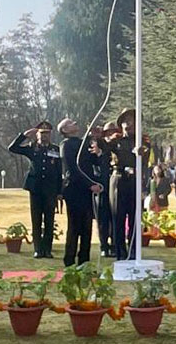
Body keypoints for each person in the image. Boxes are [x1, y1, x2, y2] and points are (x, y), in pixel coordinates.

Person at [8, 120, 63, 258]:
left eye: (47, 133)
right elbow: (12, 148)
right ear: (37, 134)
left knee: (49, 220)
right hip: (36, 189)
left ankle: (47, 249)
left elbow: (58, 171)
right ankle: (38, 249)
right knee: (36, 219)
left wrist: (60, 192)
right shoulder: (32, 148)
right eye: (42, 133)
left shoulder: (55, 149)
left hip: (50, 189)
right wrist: (24, 136)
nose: (44, 136)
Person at [59, 118, 102, 267]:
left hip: (86, 190)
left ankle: (84, 262)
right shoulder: (65, 145)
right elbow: (73, 168)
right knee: (74, 226)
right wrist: (90, 184)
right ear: (64, 130)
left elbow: (93, 161)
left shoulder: (83, 143)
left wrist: (97, 148)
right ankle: (69, 261)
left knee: (87, 227)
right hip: (74, 189)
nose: (75, 123)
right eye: (70, 123)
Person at [106, 108, 149, 259]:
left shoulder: (143, 142)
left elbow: (145, 163)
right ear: (121, 124)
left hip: (134, 181)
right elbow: (103, 151)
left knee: (135, 218)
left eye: (133, 121)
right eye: (127, 121)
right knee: (118, 218)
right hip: (119, 180)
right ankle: (120, 253)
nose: (130, 125)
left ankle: (133, 252)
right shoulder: (116, 140)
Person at [86, 126, 115, 258]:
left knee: (115, 217)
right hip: (101, 185)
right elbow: (96, 164)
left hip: (114, 185)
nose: (110, 135)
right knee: (102, 218)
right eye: (107, 133)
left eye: (112, 132)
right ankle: (104, 246)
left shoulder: (115, 145)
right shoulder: (95, 144)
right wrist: (99, 153)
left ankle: (114, 244)